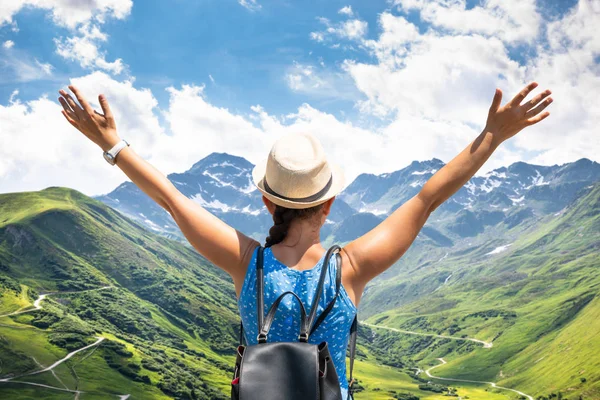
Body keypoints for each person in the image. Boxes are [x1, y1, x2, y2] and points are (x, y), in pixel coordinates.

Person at [57, 81, 552, 397]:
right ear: (330, 203)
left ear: (267, 203)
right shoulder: (352, 267)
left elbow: (171, 199)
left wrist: (111, 144)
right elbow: (427, 199)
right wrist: (493, 135)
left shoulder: (246, 263)